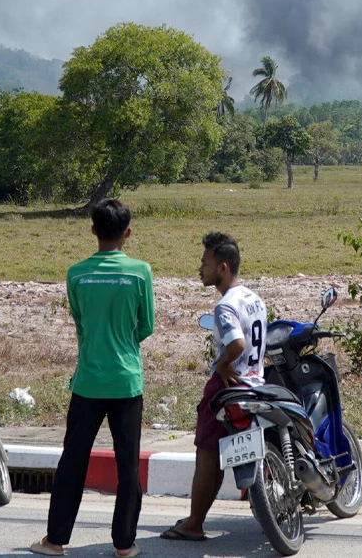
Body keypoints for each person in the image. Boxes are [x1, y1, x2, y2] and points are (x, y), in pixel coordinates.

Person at [31, 199, 155, 558]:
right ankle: (125, 544)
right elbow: (145, 325)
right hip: (127, 380)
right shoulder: (139, 271)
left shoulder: (77, 273)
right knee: (128, 463)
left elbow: (80, 322)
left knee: (73, 460)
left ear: (93, 230)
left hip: (87, 381)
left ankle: (55, 541)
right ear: (127, 233)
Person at [162, 232, 267, 542]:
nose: (200, 268)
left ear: (222, 267)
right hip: (256, 384)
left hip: (227, 387)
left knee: (207, 454)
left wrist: (222, 365)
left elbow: (236, 342)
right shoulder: (253, 298)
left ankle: (194, 523)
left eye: (204, 263)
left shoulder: (224, 307)